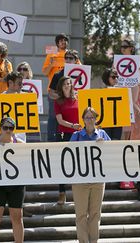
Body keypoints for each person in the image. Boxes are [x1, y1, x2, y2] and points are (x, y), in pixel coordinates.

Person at [70, 107, 111, 243]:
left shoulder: (103, 134)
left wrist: (104, 145)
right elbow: (69, 155)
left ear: (96, 119)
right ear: (83, 120)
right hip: (80, 181)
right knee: (81, 215)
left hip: (98, 180)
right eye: (87, 117)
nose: (90, 120)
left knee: (95, 214)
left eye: (92, 117)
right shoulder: (76, 136)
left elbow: (114, 151)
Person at [0, 117, 25, 243]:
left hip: (16, 185)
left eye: (11, 128)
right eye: (5, 127)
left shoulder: (20, 145)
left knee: (17, 217)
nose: (8, 130)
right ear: (0, 129)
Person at [54, 76, 82, 204]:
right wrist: (72, 126)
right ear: (61, 86)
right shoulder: (58, 101)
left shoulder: (78, 98)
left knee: (78, 164)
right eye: (65, 83)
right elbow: (59, 120)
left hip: (79, 135)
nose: (67, 85)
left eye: (69, 83)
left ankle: (78, 193)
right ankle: (62, 193)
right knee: (63, 164)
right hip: (64, 135)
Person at [43, 33, 69, 143]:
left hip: (68, 91)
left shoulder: (71, 54)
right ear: (57, 43)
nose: (63, 42)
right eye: (61, 40)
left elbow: (80, 70)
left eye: (65, 40)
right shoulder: (51, 54)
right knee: (53, 117)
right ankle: (51, 140)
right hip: (54, 91)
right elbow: (45, 72)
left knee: (67, 116)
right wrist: (51, 64)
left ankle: (65, 139)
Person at [118, 38, 136, 140]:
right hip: (120, 93)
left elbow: (139, 80)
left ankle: (128, 145)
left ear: (131, 48)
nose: (123, 49)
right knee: (121, 126)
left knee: (129, 126)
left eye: (125, 47)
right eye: (121, 47)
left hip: (132, 94)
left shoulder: (136, 62)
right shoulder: (117, 61)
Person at [100, 68, 122, 140]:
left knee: (116, 142)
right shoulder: (101, 91)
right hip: (105, 121)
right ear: (107, 78)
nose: (115, 79)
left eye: (117, 77)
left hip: (118, 121)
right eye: (113, 77)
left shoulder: (121, 91)